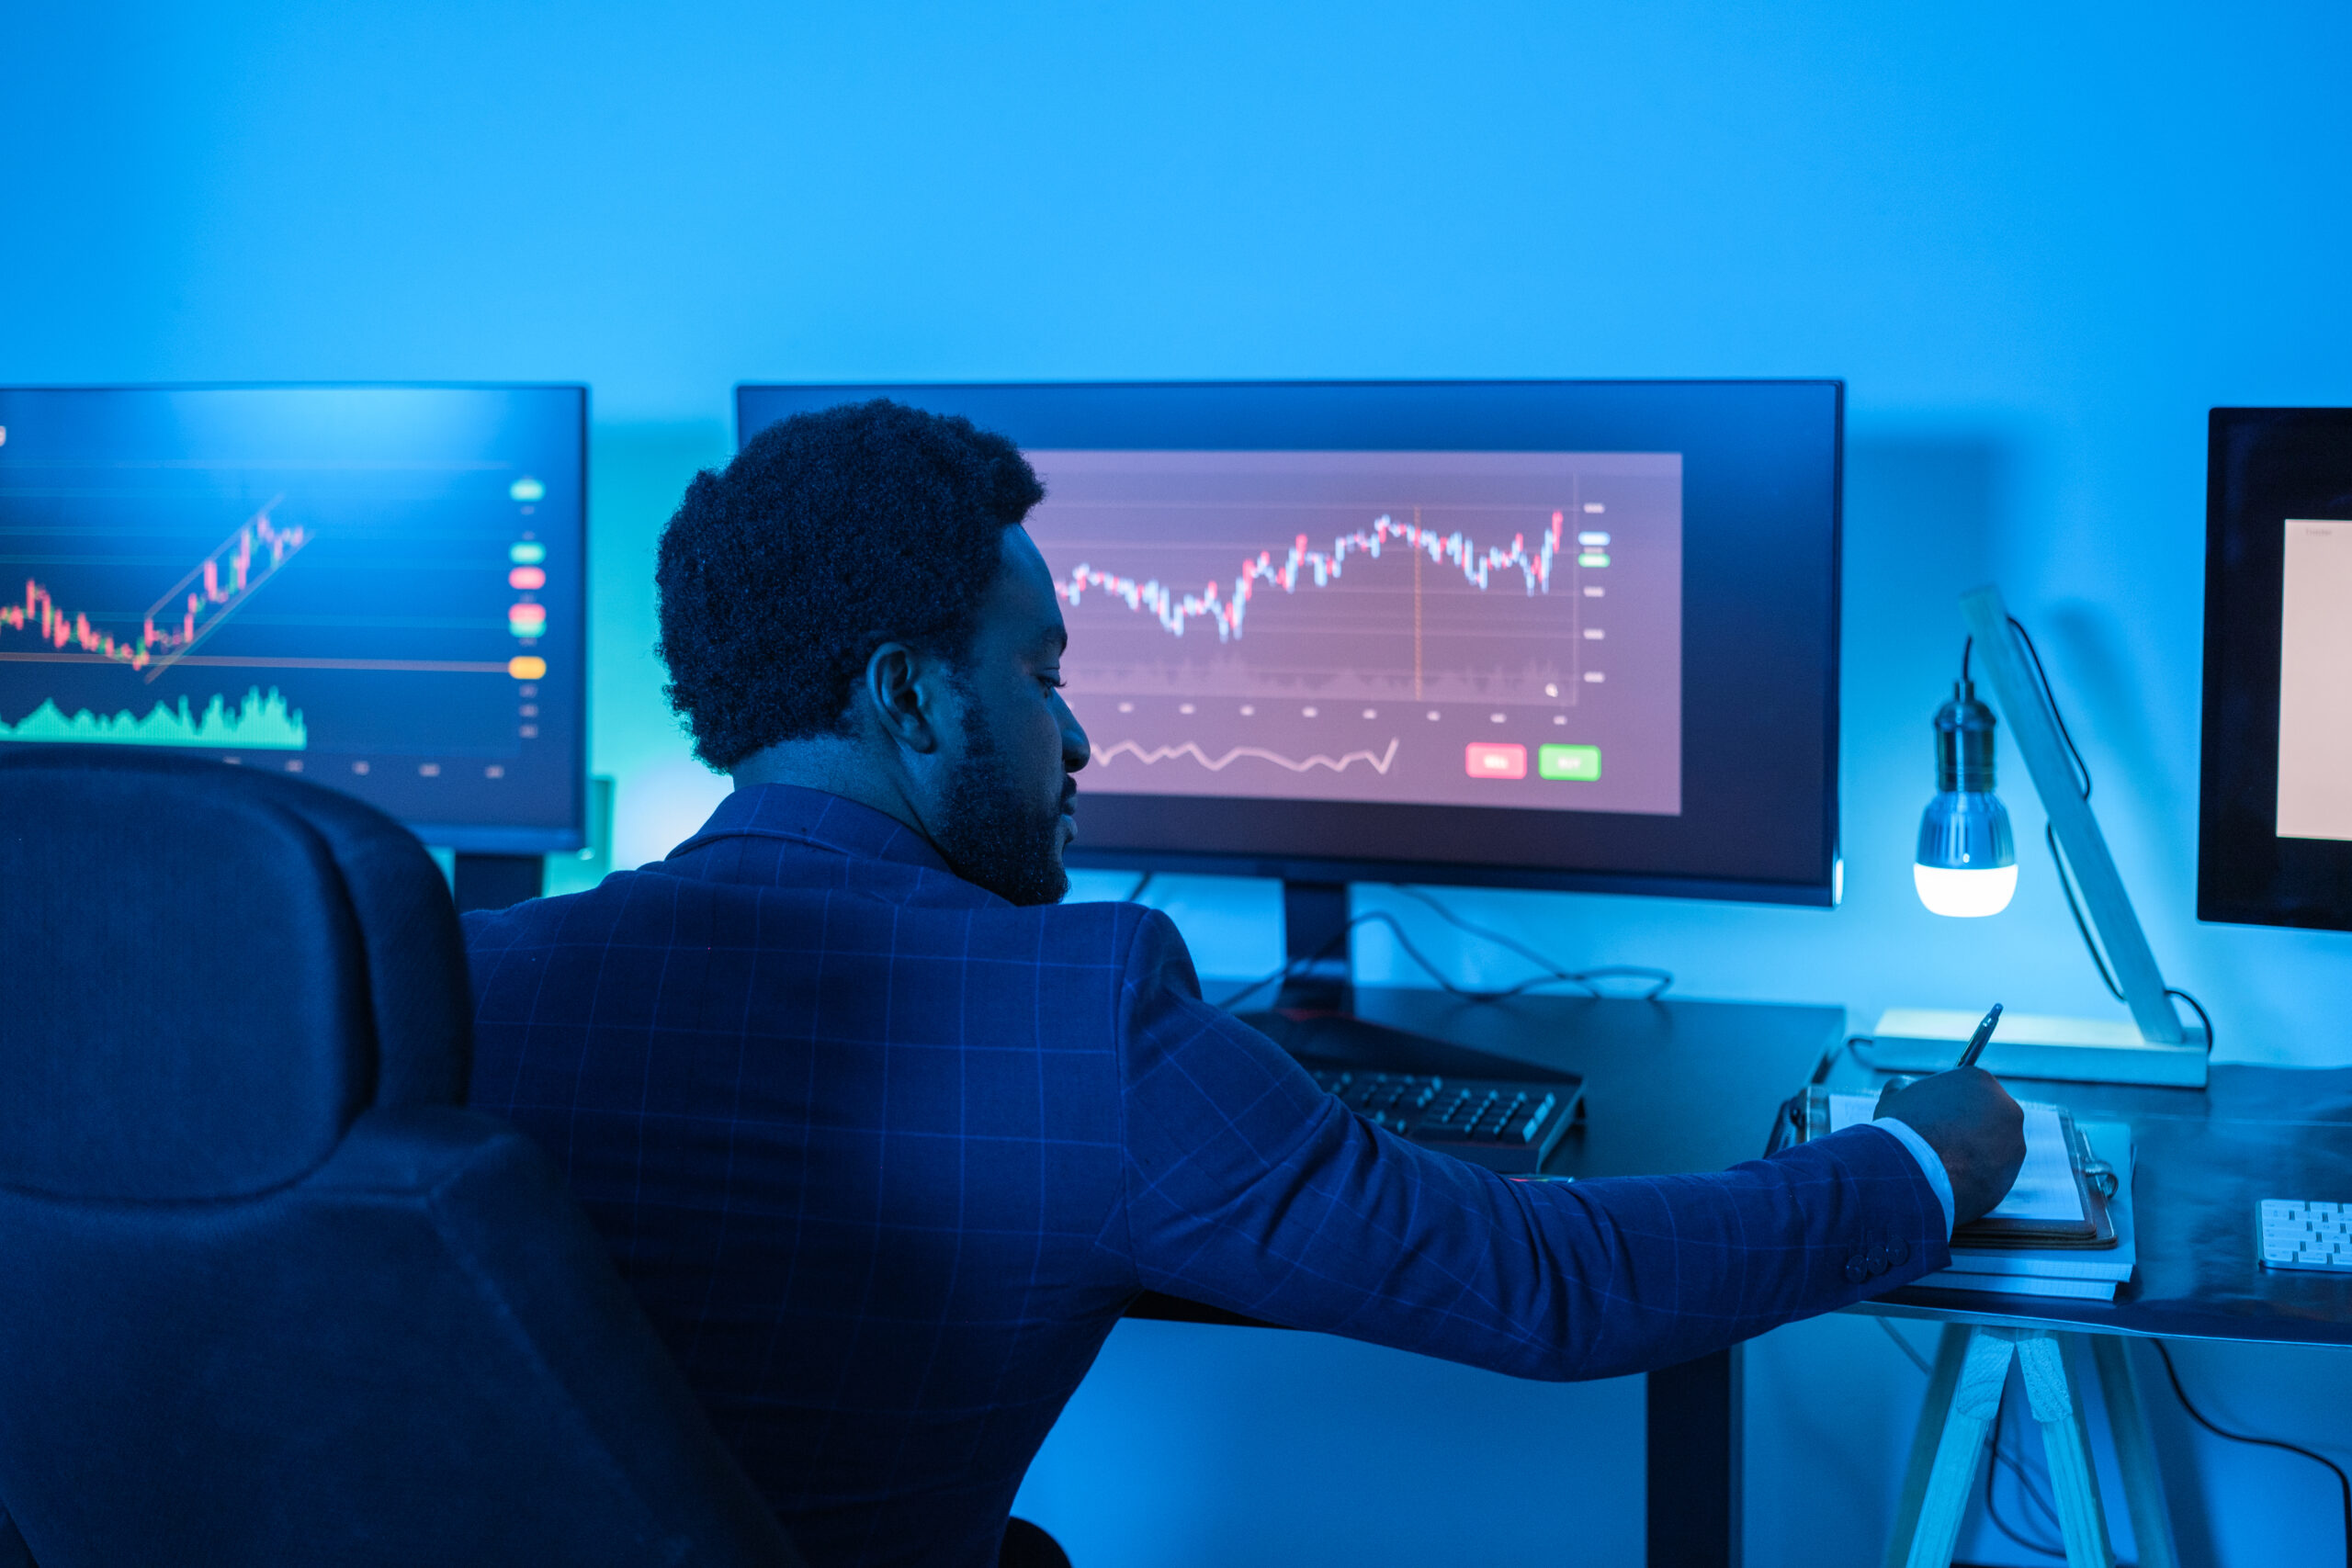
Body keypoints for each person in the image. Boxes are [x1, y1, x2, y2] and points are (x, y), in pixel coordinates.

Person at [462, 400, 2026, 1568]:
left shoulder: (479, 981)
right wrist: (1918, 1162)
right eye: (1044, 674)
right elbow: (1549, 1288)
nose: (1075, 742)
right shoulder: (1079, 1014)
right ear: (909, 698)